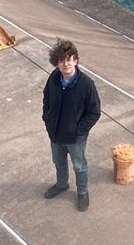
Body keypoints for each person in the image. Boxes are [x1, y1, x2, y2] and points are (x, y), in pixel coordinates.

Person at [42, 38, 101, 212]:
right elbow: (46, 98)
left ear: (75, 60)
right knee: (58, 162)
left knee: (79, 166)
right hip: (55, 134)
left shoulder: (87, 85)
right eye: (61, 60)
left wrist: (78, 131)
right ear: (56, 63)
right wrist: (47, 118)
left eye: (69, 59)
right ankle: (62, 185)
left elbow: (94, 112)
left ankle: (82, 192)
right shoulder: (53, 78)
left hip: (75, 138)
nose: (65, 64)